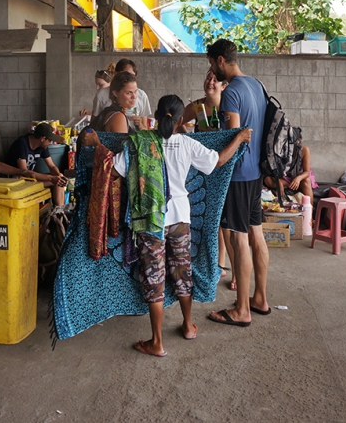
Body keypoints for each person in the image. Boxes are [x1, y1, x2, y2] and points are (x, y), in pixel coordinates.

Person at [81, 95, 252, 356]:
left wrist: (98, 144)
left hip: (151, 220)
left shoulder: (138, 144)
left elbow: (112, 171)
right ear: (181, 121)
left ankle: (157, 342)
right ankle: (187, 325)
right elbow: (218, 160)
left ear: (156, 117)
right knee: (182, 271)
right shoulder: (186, 143)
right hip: (180, 217)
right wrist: (238, 138)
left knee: (154, 279)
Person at [206, 38, 270, 327]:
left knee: (237, 237)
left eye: (211, 63)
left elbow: (234, 137)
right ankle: (260, 298)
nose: (212, 70)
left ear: (220, 60)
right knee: (256, 234)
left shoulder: (232, 93)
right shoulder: (256, 84)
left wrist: (217, 161)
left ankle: (242, 309)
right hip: (256, 172)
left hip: (238, 174)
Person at [177, 71, 235, 287]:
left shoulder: (228, 107)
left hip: (224, 167)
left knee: (226, 223)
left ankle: (229, 268)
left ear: (223, 86)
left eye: (215, 80)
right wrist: (190, 140)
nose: (210, 82)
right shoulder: (197, 106)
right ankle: (214, 265)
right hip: (203, 169)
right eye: (207, 78)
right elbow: (177, 123)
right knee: (209, 218)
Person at [4, 123, 68, 206]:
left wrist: (58, 175)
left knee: (60, 179)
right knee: (56, 180)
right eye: (49, 140)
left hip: (31, 179)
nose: (50, 143)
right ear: (42, 138)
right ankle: (59, 212)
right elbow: (24, 172)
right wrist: (52, 178)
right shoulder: (21, 144)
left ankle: (60, 211)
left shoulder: (42, 146)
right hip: (17, 180)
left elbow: (52, 166)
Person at [90, 58, 152, 127]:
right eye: (128, 93)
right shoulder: (102, 96)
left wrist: (140, 124)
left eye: (135, 92)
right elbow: (93, 124)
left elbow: (145, 130)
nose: (134, 97)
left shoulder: (141, 95)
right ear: (116, 94)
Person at [263, 137, 316, 207]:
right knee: (267, 180)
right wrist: (278, 182)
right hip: (286, 178)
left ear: (298, 141)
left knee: (306, 180)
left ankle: (310, 213)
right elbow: (271, 170)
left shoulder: (304, 150)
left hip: (301, 177)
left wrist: (298, 178)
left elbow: (307, 172)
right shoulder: (280, 150)